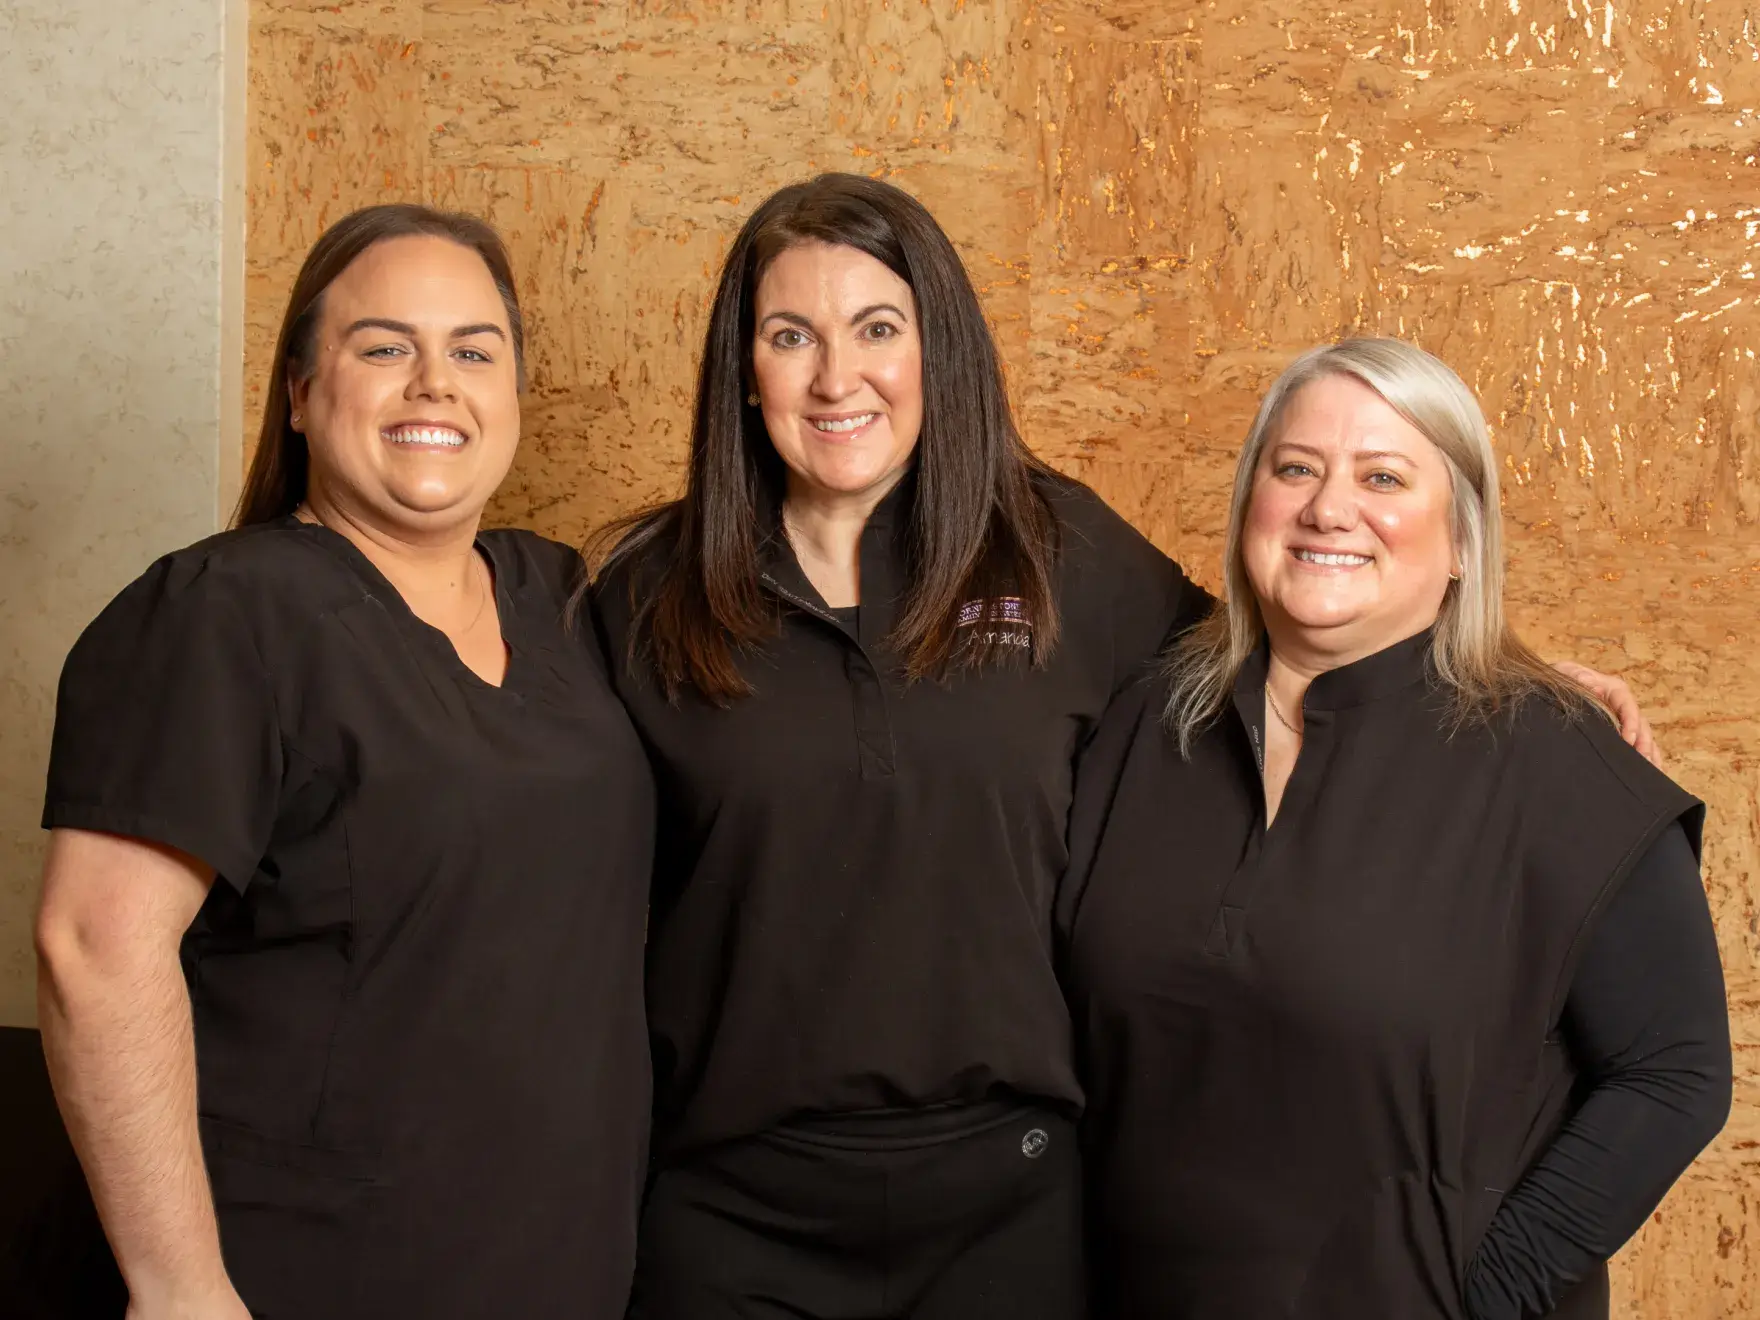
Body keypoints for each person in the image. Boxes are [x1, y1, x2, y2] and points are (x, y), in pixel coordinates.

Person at [591, 175, 1656, 1318]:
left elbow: (1287, 631)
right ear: (742, 375)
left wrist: (1503, 670)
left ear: (933, 352)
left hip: (1008, 1214)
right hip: (732, 1214)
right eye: (788, 335)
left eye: (877, 329)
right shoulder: (650, 599)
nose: (835, 376)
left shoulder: (1055, 555)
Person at [34, 205, 654, 1320]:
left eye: (473, 351)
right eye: (383, 348)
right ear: (299, 393)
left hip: (554, 1263)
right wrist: (181, 1293)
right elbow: (94, 946)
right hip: (304, 1269)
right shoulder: (224, 612)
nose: (435, 384)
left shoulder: (563, 602)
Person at [1058, 338, 1732, 1319]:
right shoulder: (1146, 725)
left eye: (1382, 476)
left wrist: (1482, 1295)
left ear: (1461, 540)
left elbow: (1673, 1073)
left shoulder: (1553, 759)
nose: (1328, 508)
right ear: (1250, 502)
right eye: (1294, 469)